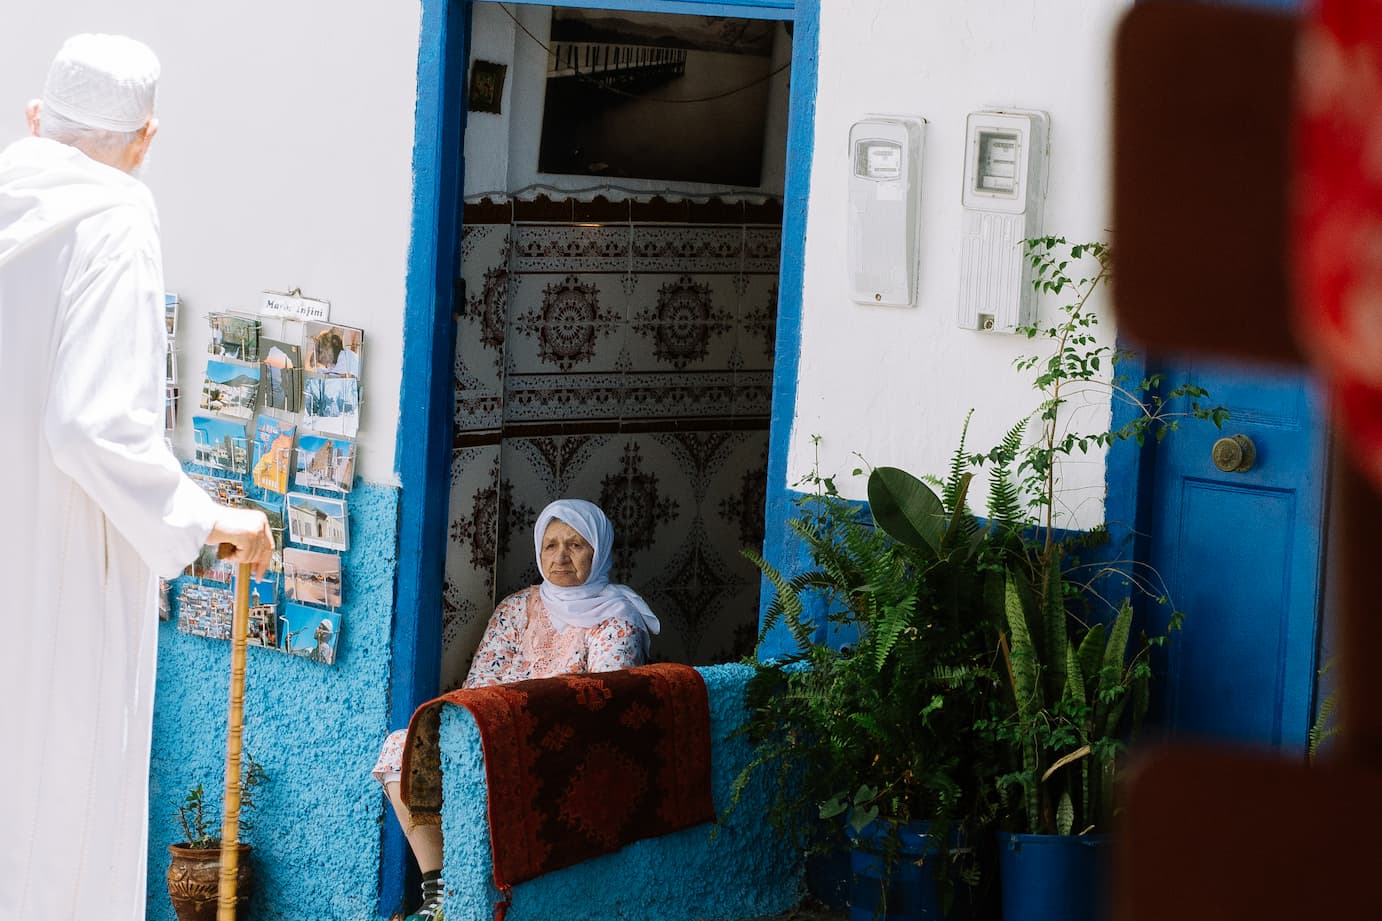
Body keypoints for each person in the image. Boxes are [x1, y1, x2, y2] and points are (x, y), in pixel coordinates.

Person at [0, 34, 275, 921]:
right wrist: (200, 519)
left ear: (35, 119)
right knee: (58, 813)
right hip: (55, 574)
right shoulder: (114, 212)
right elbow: (88, 421)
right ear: (146, 137)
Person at [371, 499, 660, 921]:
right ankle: (438, 889)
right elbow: (478, 685)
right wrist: (485, 729)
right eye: (551, 545)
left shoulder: (617, 621)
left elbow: (603, 708)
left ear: (599, 551)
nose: (560, 557)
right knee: (402, 747)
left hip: (564, 747)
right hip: (493, 730)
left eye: (576, 546)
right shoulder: (516, 608)